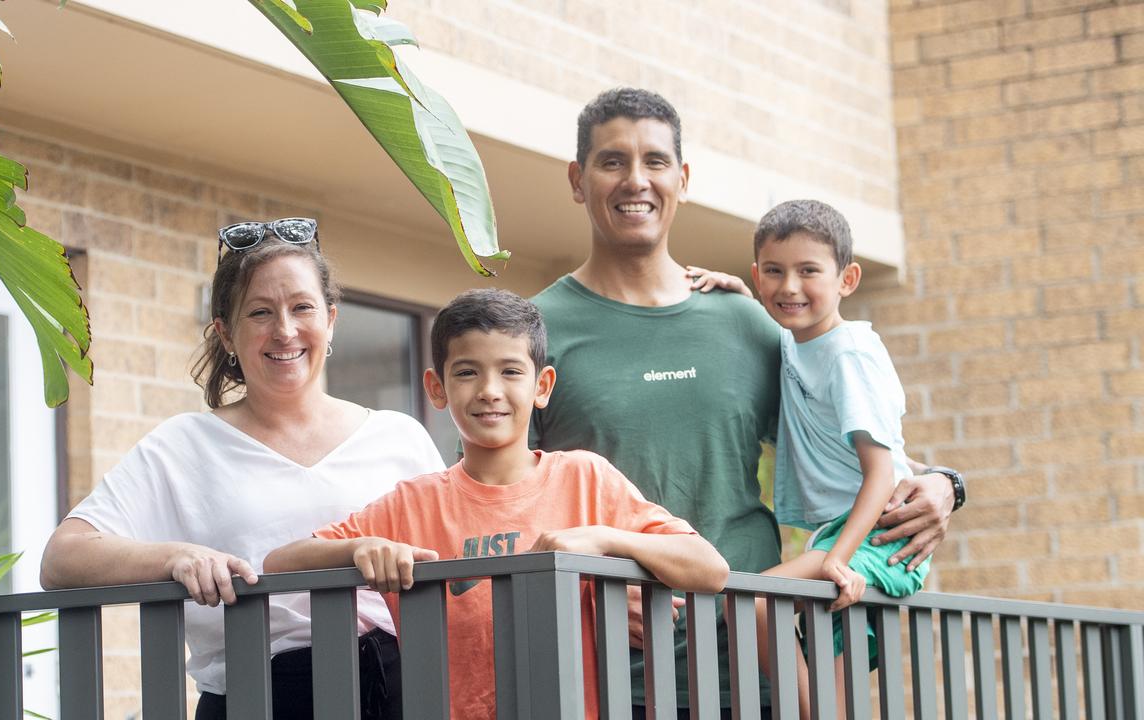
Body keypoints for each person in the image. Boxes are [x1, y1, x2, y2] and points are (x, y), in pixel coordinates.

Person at [529, 88, 964, 719]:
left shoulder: (747, 323)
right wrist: (578, 586)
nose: (635, 180)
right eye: (612, 161)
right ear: (577, 179)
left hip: (759, 665)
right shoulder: (536, 329)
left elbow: (840, 438)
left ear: (682, 179)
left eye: (654, 161)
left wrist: (947, 483)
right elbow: (493, 495)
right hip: (605, 667)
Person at [40, 218, 445, 720]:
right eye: (260, 312)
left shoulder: (398, 436)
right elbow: (62, 558)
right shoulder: (184, 445)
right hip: (258, 700)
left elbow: (457, 557)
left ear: (331, 320)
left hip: (402, 693)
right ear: (225, 334)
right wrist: (176, 557)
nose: (285, 330)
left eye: (302, 307)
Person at [266, 288, 730, 720]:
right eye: (467, 371)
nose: (489, 389)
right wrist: (360, 547)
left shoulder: (585, 478)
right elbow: (278, 564)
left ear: (542, 385)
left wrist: (604, 540)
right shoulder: (413, 502)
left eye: (510, 371)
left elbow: (710, 569)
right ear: (436, 387)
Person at [742, 199, 933, 718]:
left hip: (875, 534)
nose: (789, 287)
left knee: (758, 600)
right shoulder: (800, 342)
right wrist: (732, 289)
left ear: (847, 279)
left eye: (809, 271)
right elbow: (776, 319)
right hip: (843, 533)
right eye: (775, 272)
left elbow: (882, 471)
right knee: (834, 690)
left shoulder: (847, 353)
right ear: (758, 276)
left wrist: (837, 557)